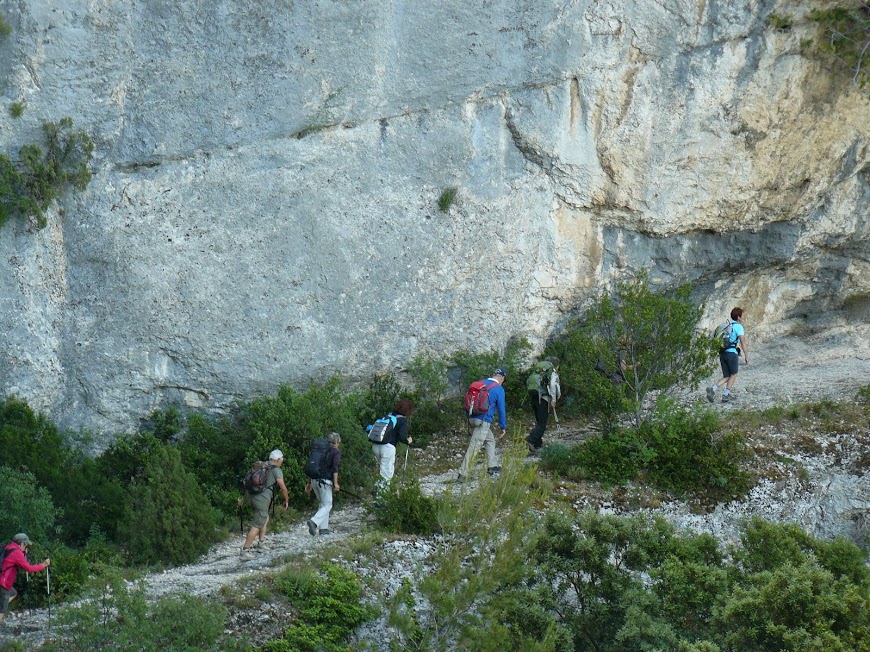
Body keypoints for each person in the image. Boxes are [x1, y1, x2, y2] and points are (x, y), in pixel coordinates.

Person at [458, 368, 507, 482]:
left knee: (490, 440)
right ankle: (462, 474)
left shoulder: (481, 383)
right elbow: (501, 409)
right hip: (483, 421)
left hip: (472, 418)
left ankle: (492, 466)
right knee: (474, 446)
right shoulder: (498, 389)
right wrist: (503, 426)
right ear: (501, 378)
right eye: (503, 380)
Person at [240, 449, 289, 560]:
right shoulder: (276, 470)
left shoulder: (262, 466)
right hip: (262, 499)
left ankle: (261, 544)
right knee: (257, 524)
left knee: (264, 518)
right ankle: (245, 551)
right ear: (278, 460)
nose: (282, 462)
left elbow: (246, 481)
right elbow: (283, 487)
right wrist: (286, 500)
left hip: (252, 497)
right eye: (281, 460)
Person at [0, 533, 50, 624]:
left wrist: (24, 554)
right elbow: (28, 568)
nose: (26, 546)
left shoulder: (8, 547)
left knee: (13, 593)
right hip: (4, 583)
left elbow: (19, 561)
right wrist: (43, 565)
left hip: (2, 581)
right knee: (2, 610)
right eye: (26, 544)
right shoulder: (17, 552)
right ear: (22, 544)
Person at [707, 307, 749, 403]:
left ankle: (713, 389)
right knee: (734, 374)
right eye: (742, 316)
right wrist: (746, 355)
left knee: (727, 376)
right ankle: (726, 395)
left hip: (722, 353)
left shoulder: (726, 326)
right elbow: (743, 342)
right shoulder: (738, 327)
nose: (743, 318)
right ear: (738, 317)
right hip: (732, 353)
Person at [371, 399, 414, 489]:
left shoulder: (389, 416)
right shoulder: (402, 420)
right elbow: (402, 437)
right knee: (386, 473)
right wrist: (408, 441)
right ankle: (381, 499)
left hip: (376, 445)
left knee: (383, 469)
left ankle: (377, 488)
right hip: (387, 448)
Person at [306, 432, 341, 536]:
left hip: (314, 480)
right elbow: (335, 468)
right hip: (325, 481)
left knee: (323, 503)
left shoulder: (319, 450)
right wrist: (336, 483)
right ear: (337, 442)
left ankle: (324, 529)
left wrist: (309, 483)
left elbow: (311, 465)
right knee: (328, 504)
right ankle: (314, 522)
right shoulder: (335, 451)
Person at [525, 357, 560, 451]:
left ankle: (537, 443)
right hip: (543, 399)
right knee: (542, 423)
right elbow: (553, 385)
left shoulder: (538, 371)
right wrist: (553, 399)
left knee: (539, 422)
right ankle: (530, 440)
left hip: (534, 397)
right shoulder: (552, 371)